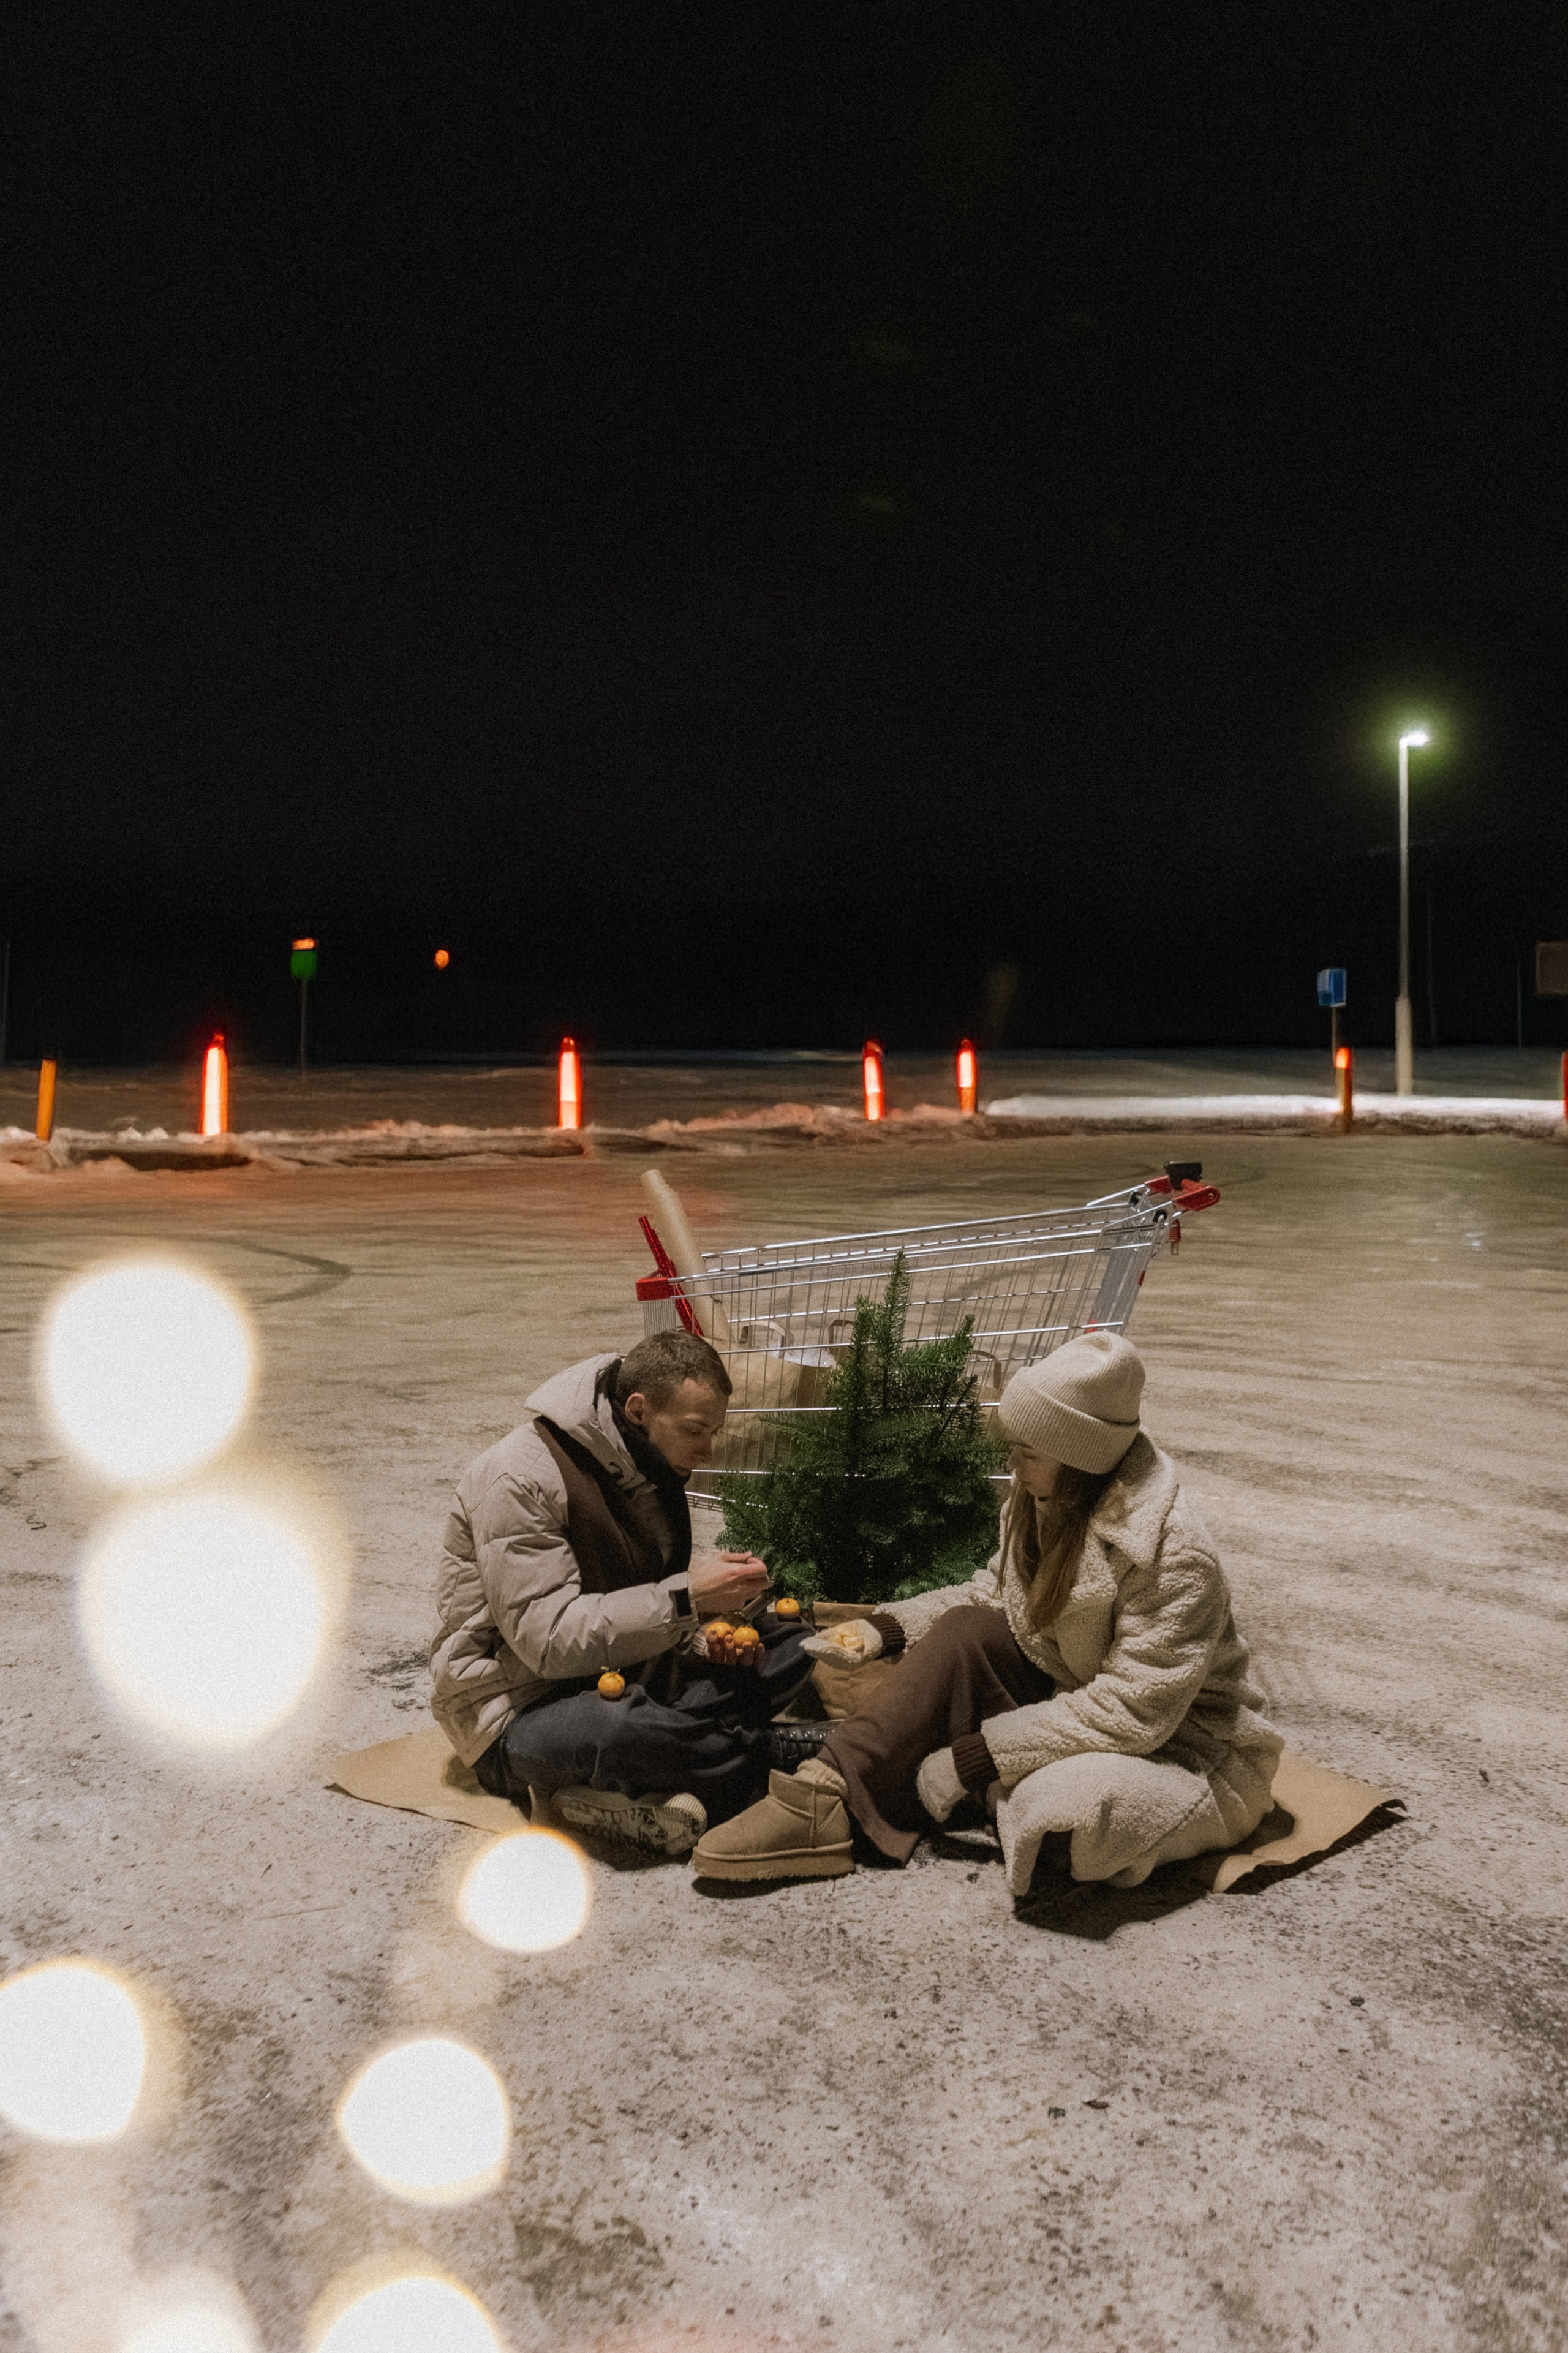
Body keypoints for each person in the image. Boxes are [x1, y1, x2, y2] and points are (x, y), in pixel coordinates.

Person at [689, 1331, 1283, 1894]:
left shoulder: (1172, 1556)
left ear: (1080, 1459)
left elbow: (1135, 1709)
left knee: (1064, 1821)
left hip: (1181, 1743)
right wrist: (879, 1628)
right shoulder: (1043, 1498)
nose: (1014, 1469)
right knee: (967, 1632)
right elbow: (993, 1597)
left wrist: (975, 1757)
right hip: (1067, 1690)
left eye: (1028, 1453)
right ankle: (822, 1794)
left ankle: (923, 1773)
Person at [430, 1329, 818, 1856]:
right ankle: (767, 1750)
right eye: (695, 1430)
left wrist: (707, 1637)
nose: (706, 1452)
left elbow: (636, 1607)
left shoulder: (646, 1466)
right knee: (619, 1730)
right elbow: (547, 1643)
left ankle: (688, 1765)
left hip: (628, 1673)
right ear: (637, 1410)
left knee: (790, 1640)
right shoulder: (516, 1477)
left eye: (715, 1432)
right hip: (517, 1710)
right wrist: (688, 1599)